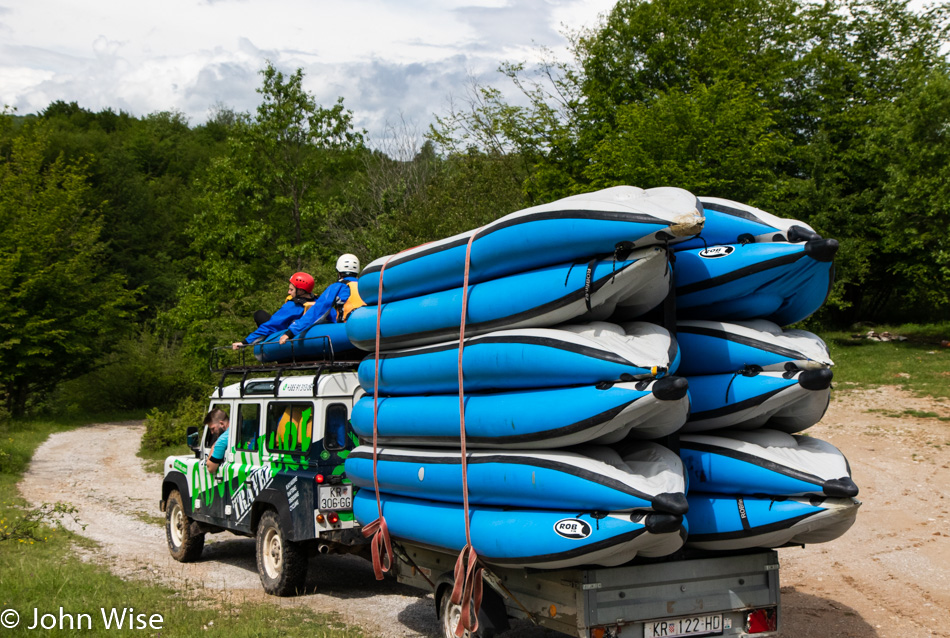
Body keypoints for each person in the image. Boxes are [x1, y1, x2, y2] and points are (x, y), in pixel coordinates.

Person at [278, 254, 364, 345]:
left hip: (347, 331)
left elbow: (317, 311)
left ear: (339, 273)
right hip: (367, 327)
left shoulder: (338, 287)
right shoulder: (364, 286)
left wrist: (290, 332)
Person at [232, 272, 316, 350]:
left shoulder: (293, 306)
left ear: (300, 291)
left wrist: (245, 342)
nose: (288, 292)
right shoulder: (317, 301)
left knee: (259, 314)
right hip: (305, 331)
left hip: (285, 335)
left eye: (291, 289)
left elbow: (271, 325)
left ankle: (265, 343)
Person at [204, 409, 230, 473]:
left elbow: (211, 468)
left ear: (221, 423)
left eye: (213, 428)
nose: (212, 433)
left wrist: (213, 446)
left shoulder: (222, 440)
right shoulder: (241, 425)